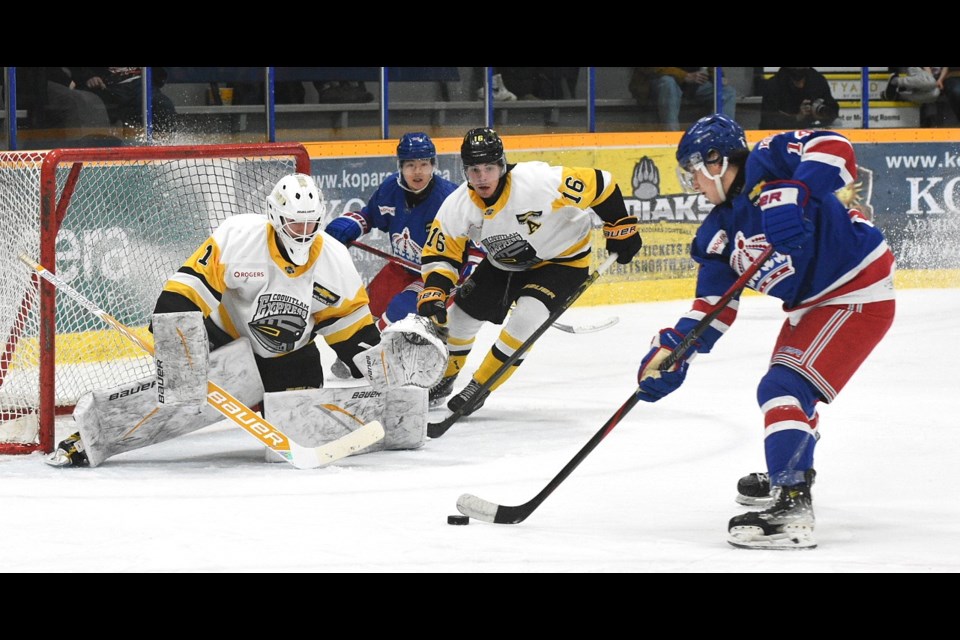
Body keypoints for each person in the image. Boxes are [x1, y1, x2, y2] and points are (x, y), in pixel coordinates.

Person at [635, 114, 895, 548]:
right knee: (789, 389)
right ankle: (789, 470)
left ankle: (792, 503)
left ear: (716, 160)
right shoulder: (715, 233)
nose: (692, 183)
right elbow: (713, 309)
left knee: (783, 388)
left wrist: (797, 189)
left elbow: (835, 147)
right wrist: (675, 351)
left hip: (856, 288)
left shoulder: (769, 159)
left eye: (693, 170)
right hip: (811, 305)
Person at [46, 173, 385, 467]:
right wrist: (173, 332)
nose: (304, 232)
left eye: (312, 224)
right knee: (176, 398)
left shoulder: (333, 258)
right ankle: (91, 437)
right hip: (227, 343)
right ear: (275, 215)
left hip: (290, 357)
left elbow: (352, 328)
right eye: (296, 223)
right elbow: (187, 288)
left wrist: (374, 371)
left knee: (300, 429)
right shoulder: (239, 236)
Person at [418, 127, 643, 416]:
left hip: (562, 261)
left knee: (528, 316)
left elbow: (602, 183)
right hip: (504, 264)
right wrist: (435, 291)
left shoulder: (538, 181)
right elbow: (441, 253)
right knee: (459, 319)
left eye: (489, 167)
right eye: (474, 169)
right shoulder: (458, 205)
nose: (482, 177)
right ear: (465, 171)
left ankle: (481, 384)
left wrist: (620, 227)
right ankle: (444, 376)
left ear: (502, 165)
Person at [324, 132, 483, 378]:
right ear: (400, 166)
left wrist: (472, 267)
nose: (417, 171)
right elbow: (370, 216)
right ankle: (357, 353)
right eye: (410, 165)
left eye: (424, 164)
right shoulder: (390, 189)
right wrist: (351, 223)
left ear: (433, 165)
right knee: (368, 306)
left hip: (437, 274)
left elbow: (475, 238)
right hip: (403, 267)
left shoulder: (449, 198)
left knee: (399, 311)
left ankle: (376, 361)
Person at [70, 67, 177, 133]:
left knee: (162, 105)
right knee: (102, 110)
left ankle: (164, 150)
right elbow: (79, 71)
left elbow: (159, 74)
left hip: (140, 82)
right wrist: (88, 76)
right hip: (107, 85)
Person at [634, 67, 737, 131]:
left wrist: (718, 76)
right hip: (658, 82)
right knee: (668, 83)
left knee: (727, 93)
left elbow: (712, 69)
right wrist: (684, 76)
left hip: (692, 84)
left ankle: (720, 134)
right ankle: (671, 136)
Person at [759, 67, 839, 130]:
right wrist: (797, 117)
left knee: (837, 123)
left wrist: (821, 114)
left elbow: (833, 110)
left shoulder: (817, 81)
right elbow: (767, 122)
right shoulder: (774, 85)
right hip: (784, 134)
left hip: (812, 130)